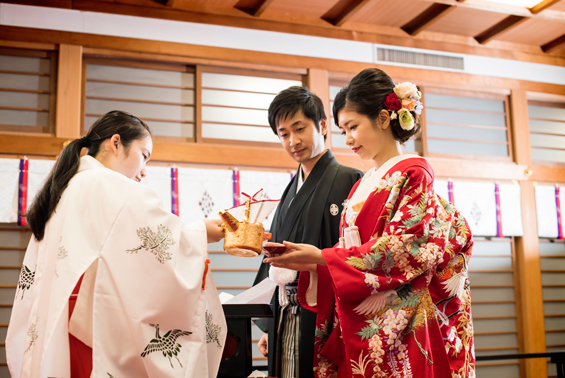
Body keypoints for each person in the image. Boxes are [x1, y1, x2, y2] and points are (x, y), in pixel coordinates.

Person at [264, 69, 475, 378]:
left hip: (396, 323)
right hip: (361, 314)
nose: (348, 139)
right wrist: (313, 264)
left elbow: (407, 247)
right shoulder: (364, 183)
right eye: (344, 130)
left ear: (382, 118)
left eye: (353, 126)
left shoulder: (412, 173)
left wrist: (322, 257)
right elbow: (349, 250)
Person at [6, 111, 227, 378]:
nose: (144, 171)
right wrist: (200, 231)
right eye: (143, 155)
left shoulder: (70, 184)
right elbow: (154, 241)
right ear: (115, 143)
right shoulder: (104, 183)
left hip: (67, 314)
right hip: (90, 320)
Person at [253, 86, 363, 378]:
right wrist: (268, 325)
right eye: (284, 133)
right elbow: (274, 262)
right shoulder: (290, 189)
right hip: (285, 314)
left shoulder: (351, 180)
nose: (293, 141)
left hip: (325, 316)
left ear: (323, 125)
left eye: (299, 128)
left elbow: (358, 255)